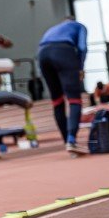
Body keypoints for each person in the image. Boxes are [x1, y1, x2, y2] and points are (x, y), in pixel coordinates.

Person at [37, 15, 90, 155]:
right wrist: (80, 67)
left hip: (42, 54)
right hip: (63, 52)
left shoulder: (53, 29)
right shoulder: (79, 26)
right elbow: (82, 47)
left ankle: (67, 140)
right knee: (74, 100)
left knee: (57, 101)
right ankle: (71, 140)